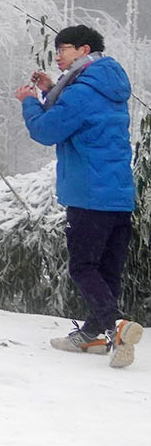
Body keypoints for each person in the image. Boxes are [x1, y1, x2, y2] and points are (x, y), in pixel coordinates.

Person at [15, 24, 142, 368]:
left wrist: (29, 101)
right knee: (107, 271)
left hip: (89, 195)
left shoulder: (81, 92)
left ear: (84, 51)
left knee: (83, 267)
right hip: (118, 195)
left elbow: (46, 129)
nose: (58, 56)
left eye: (64, 49)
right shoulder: (108, 86)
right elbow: (76, 115)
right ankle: (94, 336)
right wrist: (51, 90)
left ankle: (117, 326)